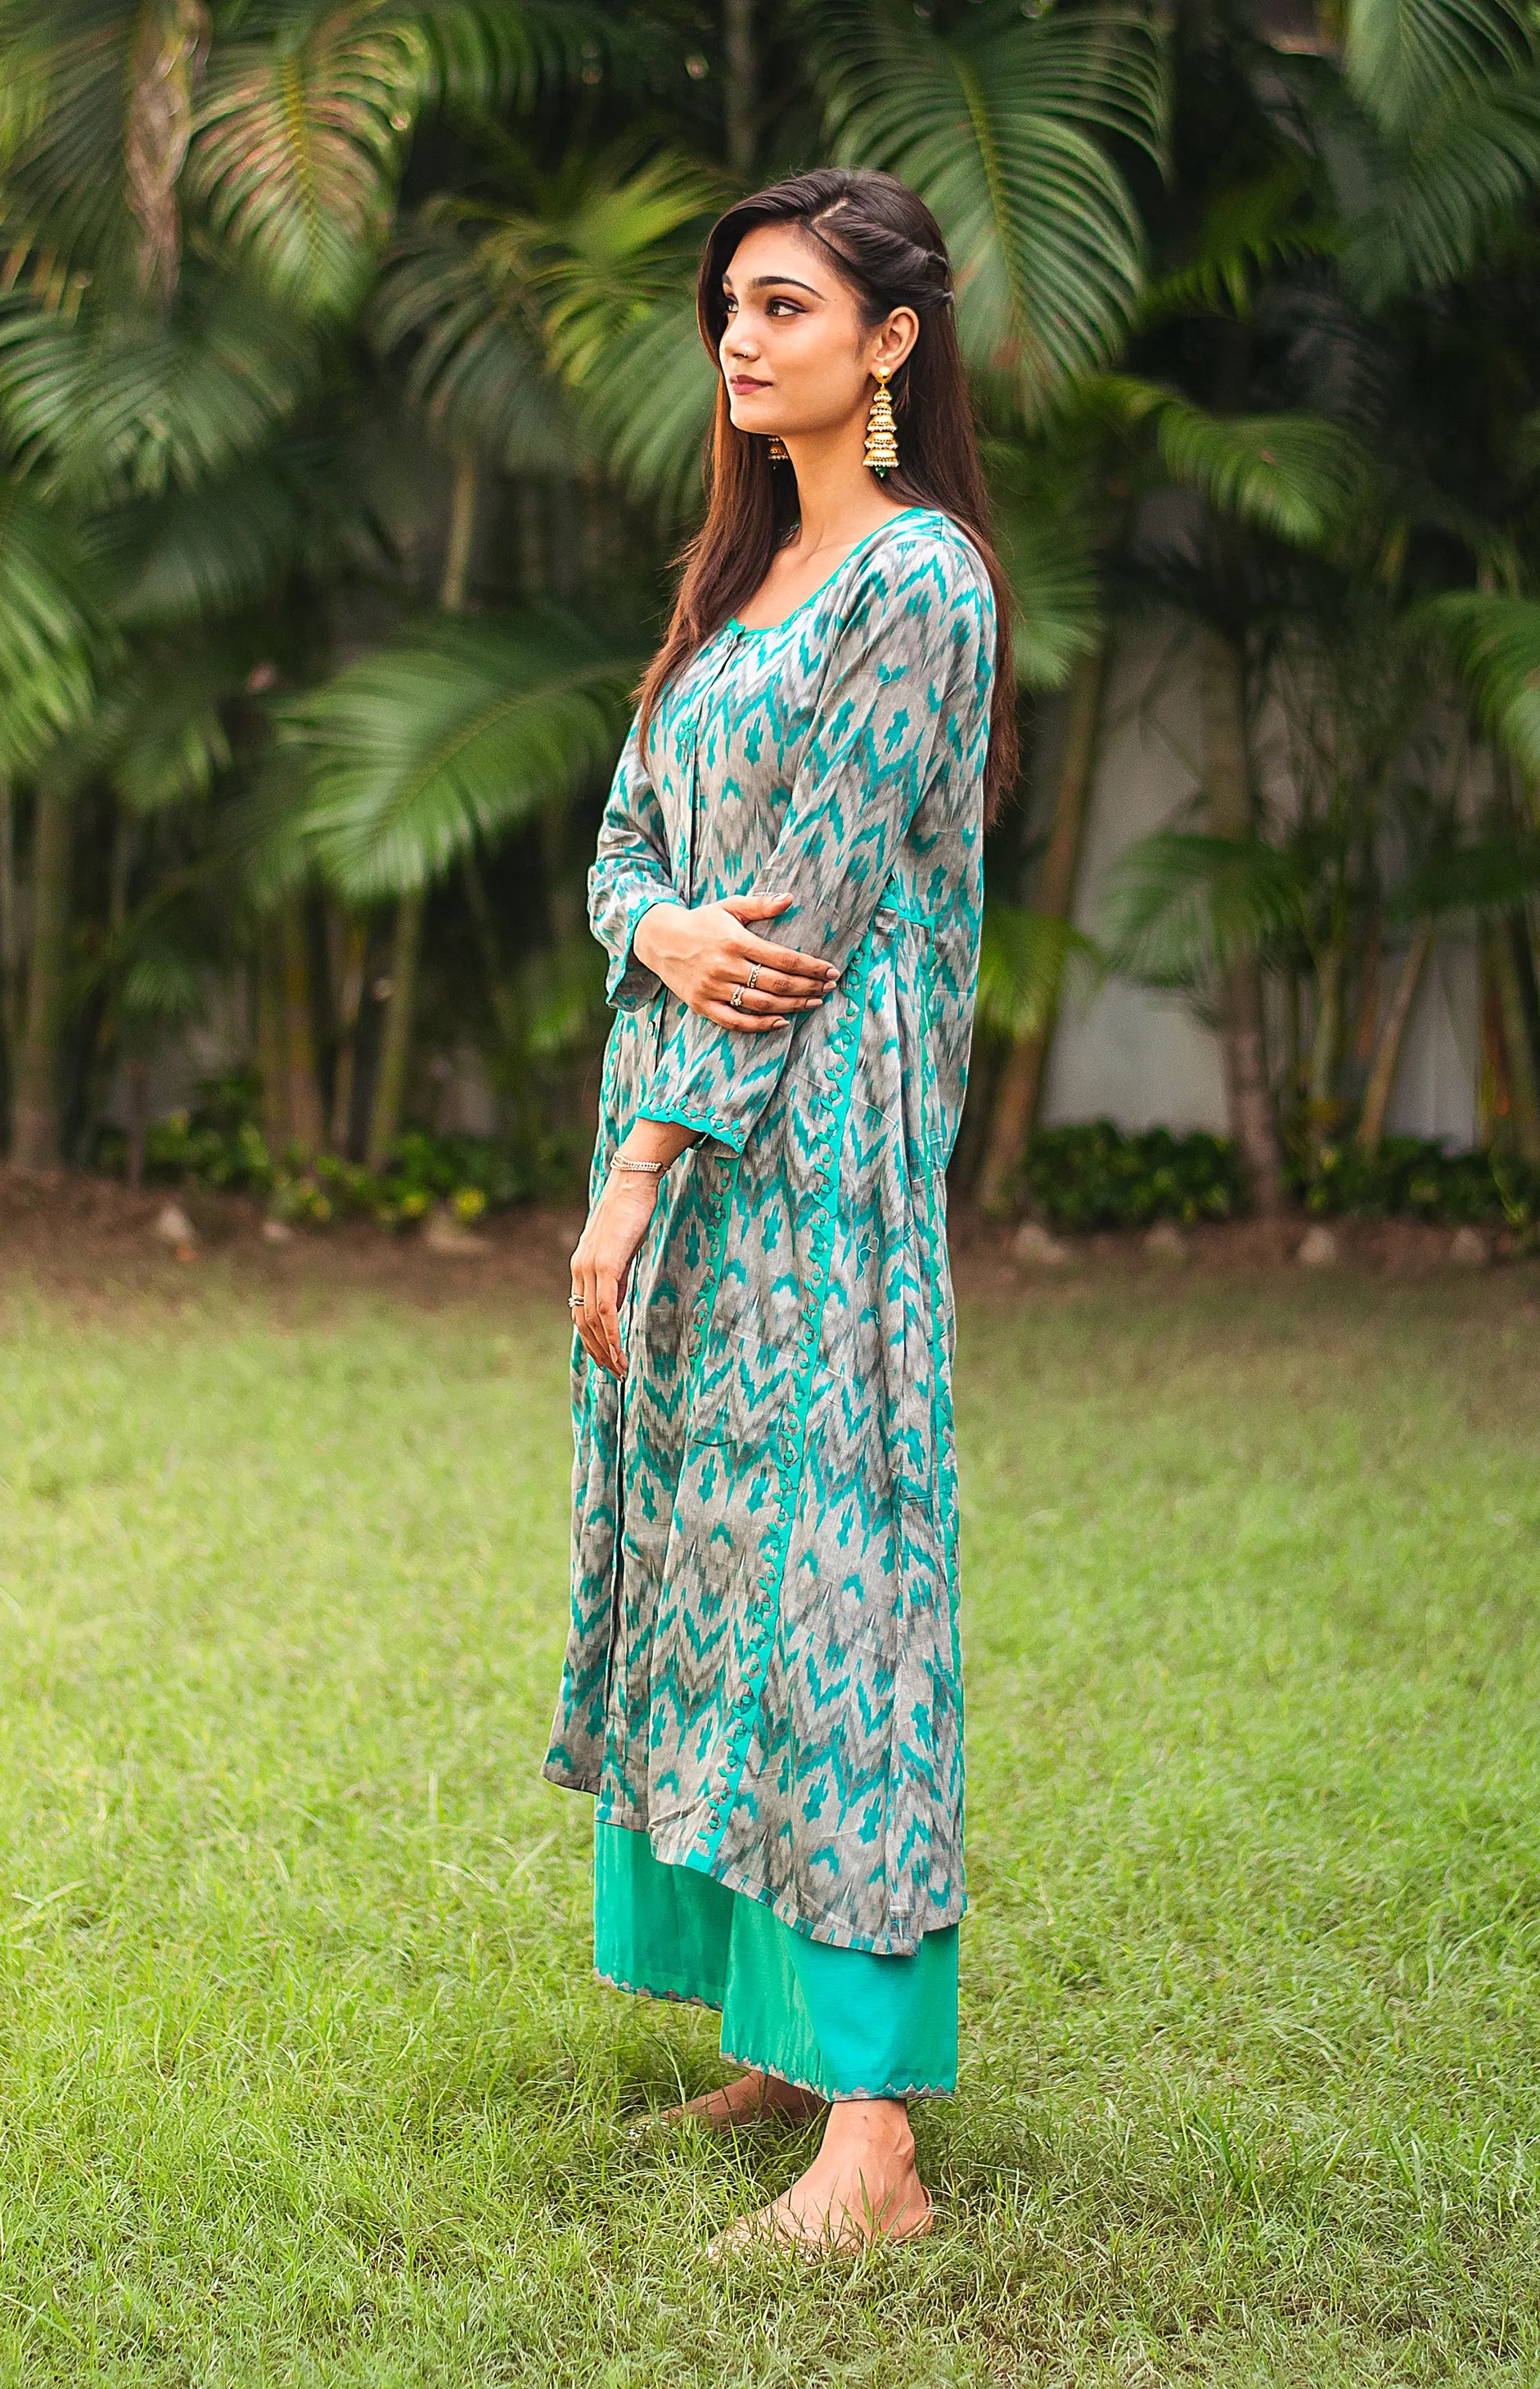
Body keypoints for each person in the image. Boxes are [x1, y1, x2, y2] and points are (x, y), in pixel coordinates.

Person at [543, 165, 1017, 2259]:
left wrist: (644, 1161)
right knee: (715, 1574)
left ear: (889, 343)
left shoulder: (920, 583)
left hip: (808, 1168)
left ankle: (878, 2136)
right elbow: (622, 849)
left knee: (836, 1604)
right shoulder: (735, 582)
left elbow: (813, 917)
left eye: (784, 305)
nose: (740, 340)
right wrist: (649, 948)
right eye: (727, 307)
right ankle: (774, 2027)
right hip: (688, 1128)